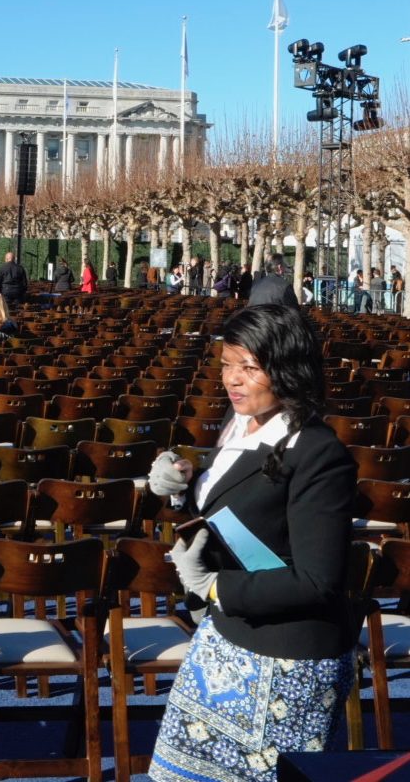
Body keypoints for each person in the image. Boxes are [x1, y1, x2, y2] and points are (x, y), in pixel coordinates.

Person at [146, 304, 357, 782]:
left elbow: (318, 580)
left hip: (287, 662)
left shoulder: (320, 453)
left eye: (249, 367)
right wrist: (180, 488)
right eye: (226, 364)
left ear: (286, 369)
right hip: (225, 639)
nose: (231, 379)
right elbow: (238, 511)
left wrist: (216, 586)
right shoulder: (239, 421)